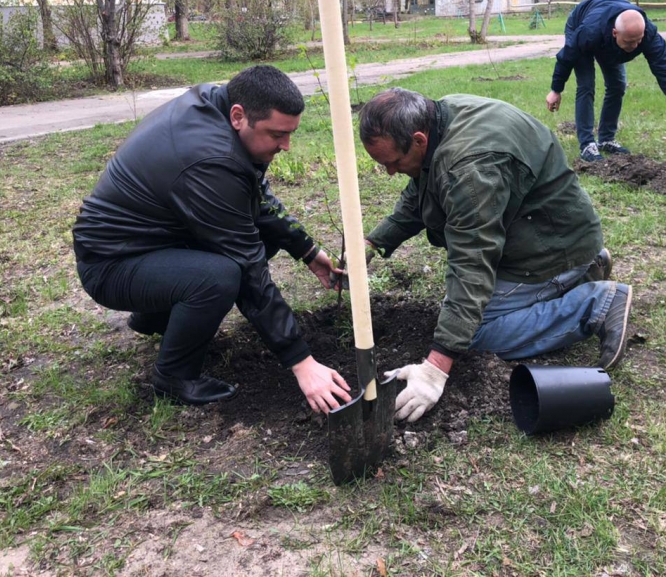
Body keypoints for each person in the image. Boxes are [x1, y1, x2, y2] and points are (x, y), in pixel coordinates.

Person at [72, 65, 351, 412]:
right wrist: (301, 361)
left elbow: (255, 199)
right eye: (277, 134)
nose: (287, 145)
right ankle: (174, 376)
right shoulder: (209, 157)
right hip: (111, 264)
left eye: (290, 133)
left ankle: (155, 317)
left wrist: (308, 250)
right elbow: (248, 267)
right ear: (239, 116)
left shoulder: (217, 107)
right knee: (221, 276)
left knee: (262, 239)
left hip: (151, 245)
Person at [357, 88, 632, 423]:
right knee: (462, 319)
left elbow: (472, 265)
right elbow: (423, 188)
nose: (390, 172)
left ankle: (595, 304)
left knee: (474, 333)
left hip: (548, 248)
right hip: (552, 229)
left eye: (394, 163)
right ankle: (584, 268)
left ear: (418, 140)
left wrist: (436, 367)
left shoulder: (468, 169)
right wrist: (373, 243)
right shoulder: (443, 115)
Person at [545, 0, 666, 162]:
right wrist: (556, 89)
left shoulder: (648, 34)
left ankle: (606, 139)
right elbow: (567, 56)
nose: (633, 47)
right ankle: (587, 145)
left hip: (608, 40)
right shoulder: (588, 32)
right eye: (628, 42)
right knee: (586, 85)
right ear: (615, 33)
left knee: (617, 85)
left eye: (637, 42)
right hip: (581, 22)